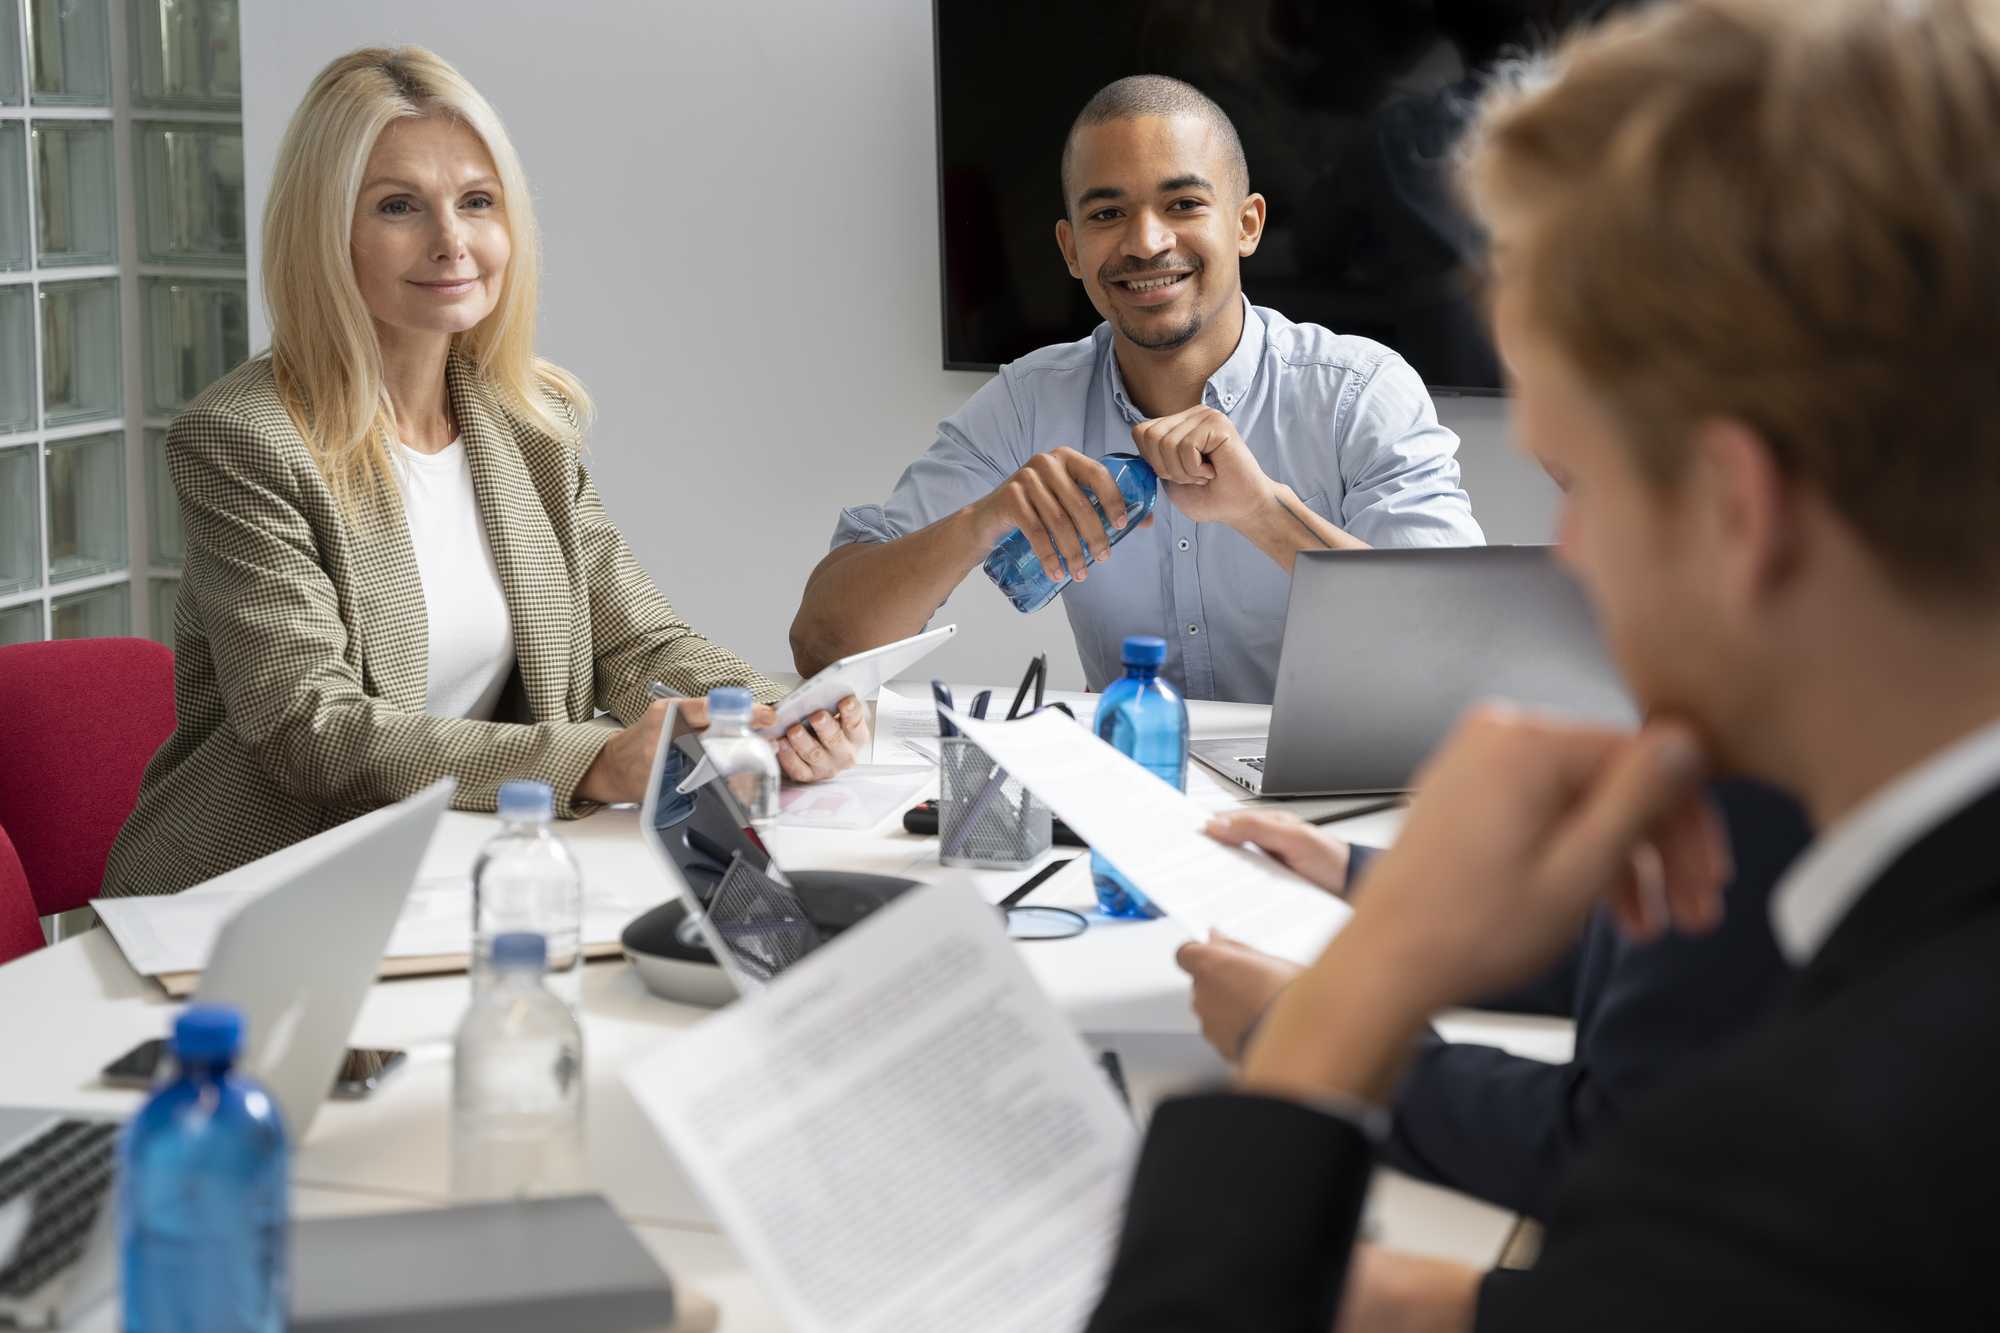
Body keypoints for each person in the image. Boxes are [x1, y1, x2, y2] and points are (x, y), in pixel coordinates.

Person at [1086, 0, 2000, 1327]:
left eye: (1575, 483)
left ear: (1737, 511)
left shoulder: (1823, 1161)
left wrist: (1345, 1013)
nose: (1569, 558)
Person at [103, 48, 865, 898]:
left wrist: (774, 712)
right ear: (325, 232)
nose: (451, 241)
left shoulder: (529, 422)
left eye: (477, 202)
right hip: (260, 893)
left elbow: (634, 639)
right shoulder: (245, 440)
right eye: (399, 206)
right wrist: (597, 761)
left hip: (447, 869)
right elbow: (309, 728)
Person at [792, 76, 1482, 704]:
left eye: (1182, 203)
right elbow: (824, 642)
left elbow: (1463, 647)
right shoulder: (1029, 403)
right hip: (1128, 796)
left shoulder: (1360, 394)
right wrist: (981, 521)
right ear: (1070, 249)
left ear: (1247, 224)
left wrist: (1264, 513)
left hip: (1343, 801)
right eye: (1106, 214)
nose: (1146, 243)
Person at [1182, 780, 1809, 1220]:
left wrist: (1317, 1038)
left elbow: (1618, 1147)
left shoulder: (1762, 778)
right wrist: (1365, 879)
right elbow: (1627, 948)